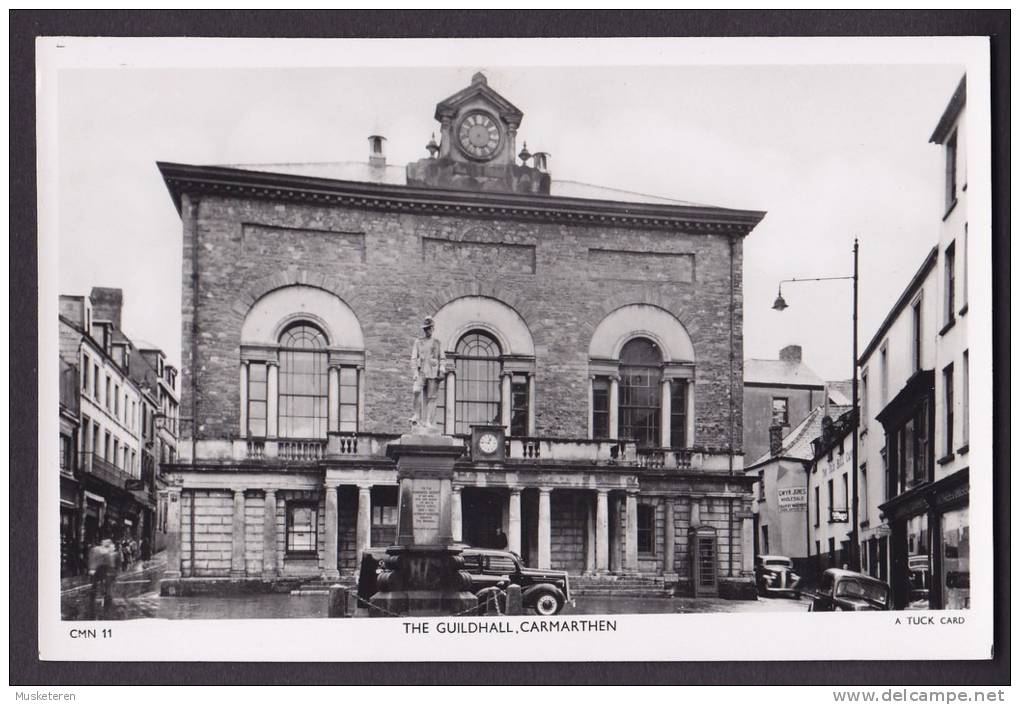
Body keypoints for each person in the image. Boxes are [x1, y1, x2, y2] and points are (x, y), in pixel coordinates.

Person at [410, 316, 446, 430]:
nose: (428, 331)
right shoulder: (418, 342)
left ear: (433, 328)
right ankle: (416, 415)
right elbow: (414, 358)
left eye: (430, 328)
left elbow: (443, 359)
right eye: (426, 329)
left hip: (433, 373)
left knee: (432, 398)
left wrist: (442, 370)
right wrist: (415, 372)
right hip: (421, 372)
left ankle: (428, 422)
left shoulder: (437, 343)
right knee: (416, 391)